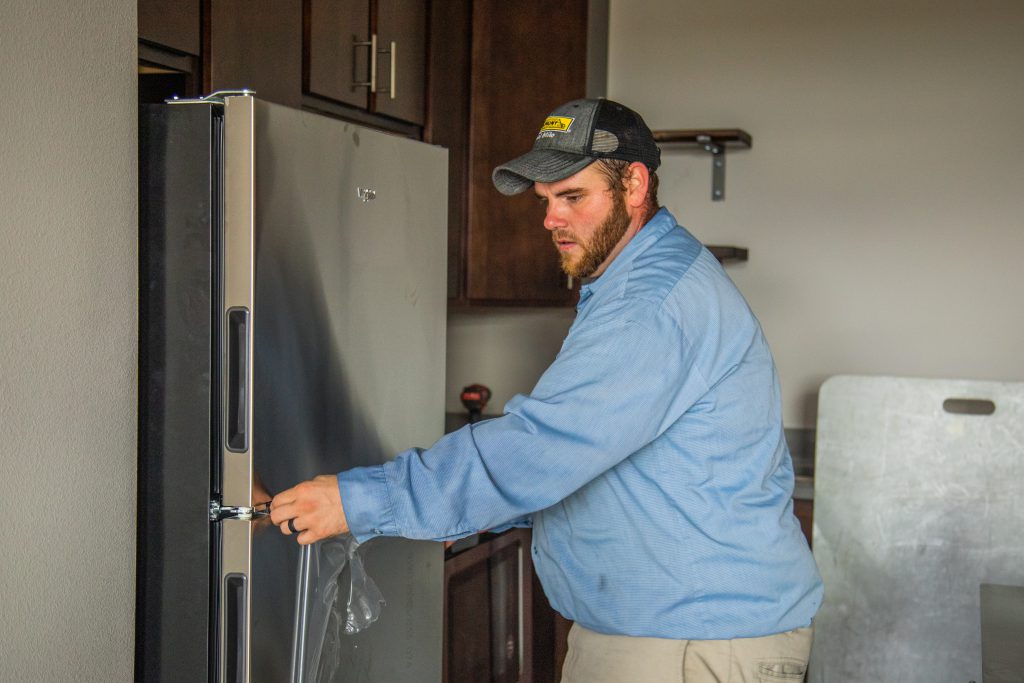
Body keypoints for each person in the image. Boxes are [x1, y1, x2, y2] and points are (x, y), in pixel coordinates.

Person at [270, 98, 823, 681]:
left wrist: (360, 501)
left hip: (690, 644)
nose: (550, 219)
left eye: (573, 196)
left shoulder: (648, 306)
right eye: (545, 201)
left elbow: (541, 448)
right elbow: (594, 462)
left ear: (633, 184)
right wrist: (458, 509)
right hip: (679, 635)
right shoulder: (638, 281)